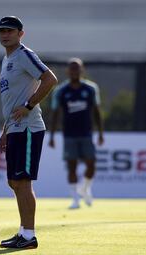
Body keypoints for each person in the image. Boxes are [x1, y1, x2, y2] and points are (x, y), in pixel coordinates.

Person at [0, 16, 58, 249]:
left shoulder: (24, 54)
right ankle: (23, 232)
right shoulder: (7, 59)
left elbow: (50, 79)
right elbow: (12, 101)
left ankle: (29, 235)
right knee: (14, 181)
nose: (5, 34)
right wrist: (5, 131)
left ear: (21, 33)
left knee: (22, 181)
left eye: (10, 30)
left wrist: (30, 105)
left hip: (29, 127)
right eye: (2, 30)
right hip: (15, 128)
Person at [49, 58, 104, 209]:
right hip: (69, 134)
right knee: (71, 166)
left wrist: (100, 133)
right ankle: (75, 199)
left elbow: (97, 111)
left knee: (91, 164)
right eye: (72, 69)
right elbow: (55, 113)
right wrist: (52, 136)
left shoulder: (91, 89)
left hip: (87, 133)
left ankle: (84, 188)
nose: (74, 71)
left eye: (77, 68)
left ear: (82, 70)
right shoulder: (61, 91)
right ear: (68, 71)